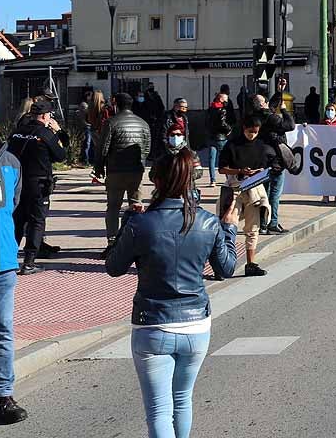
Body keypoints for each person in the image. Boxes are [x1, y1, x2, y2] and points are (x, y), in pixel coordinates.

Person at [106, 147, 238, 438]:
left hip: (152, 323)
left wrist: (128, 221)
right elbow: (227, 269)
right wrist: (229, 229)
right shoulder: (207, 221)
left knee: (158, 410)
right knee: (182, 399)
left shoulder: (141, 223)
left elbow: (114, 266)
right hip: (196, 325)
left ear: (156, 182)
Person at [0, 107, 27, 424]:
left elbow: (12, 206)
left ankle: (2, 396)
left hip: (2, 265)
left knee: (2, 331)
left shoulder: (10, 162)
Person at [8, 100, 68, 274]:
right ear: (44, 116)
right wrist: (57, 131)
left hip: (17, 182)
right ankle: (29, 262)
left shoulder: (17, 133)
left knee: (17, 221)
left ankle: (10, 258)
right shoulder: (45, 133)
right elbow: (61, 155)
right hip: (38, 184)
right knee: (36, 221)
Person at [217, 114, 275, 276]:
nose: (253, 135)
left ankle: (251, 263)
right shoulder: (232, 145)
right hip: (235, 188)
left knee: (253, 227)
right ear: (243, 128)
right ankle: (223, 262)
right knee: (228, 224)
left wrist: (259, 172)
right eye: (250, 131)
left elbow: (264, 166)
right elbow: (222, 168)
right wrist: (239, 171)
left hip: (255, 188)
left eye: (256, 132)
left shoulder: (260, 146)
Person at [97, 93, 153, 259]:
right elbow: (147, 147)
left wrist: (99, 167)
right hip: (136, 170)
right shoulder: (143, 123)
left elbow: (103, 147)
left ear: (116, 104)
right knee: (136, 205)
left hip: (115, 170)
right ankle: (134, 241)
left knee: (113, 207)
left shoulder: (111, 122)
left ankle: (112, 243)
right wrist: (140, 164)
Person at [254, 94, 295, 235]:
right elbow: (290, 125)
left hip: (260, 162)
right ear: (264, 104)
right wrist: (284, 110)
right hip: (275, 161)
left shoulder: (253, 117)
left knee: (263, 194)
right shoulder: (272, 118)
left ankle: (262, 225)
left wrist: (279, 91)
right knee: (274, 195)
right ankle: (273, 222)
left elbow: (271, 105)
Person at [319, 104, 336, 204]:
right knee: (325, 175)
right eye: (328, 110)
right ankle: (325, 196)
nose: (330, 112)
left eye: (332, 110)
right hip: (325, 152)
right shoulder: (322, 123)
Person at [205, 91, 232, 187]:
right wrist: (229, 129)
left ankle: (213, 180)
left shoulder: (210, 108)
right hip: (221, 137)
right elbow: (222, 123)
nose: (227, 101)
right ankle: (229, 178)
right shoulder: (222, 110)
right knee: (225, 158)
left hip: (212, 136)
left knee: (212, 159)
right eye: (226, 99)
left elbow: (207, 122)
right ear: (221, 99)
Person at [86, 90, 112, 184]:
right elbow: (107, 120)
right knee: (105, 152)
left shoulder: (91, 106)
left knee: (99, 151)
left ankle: (96, 171)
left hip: (93, 130)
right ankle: (96, 171)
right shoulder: (103, 108)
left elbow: (88, 119)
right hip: (101, 131)